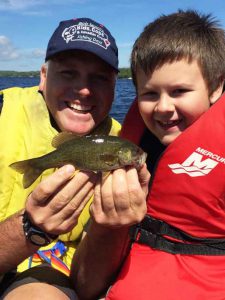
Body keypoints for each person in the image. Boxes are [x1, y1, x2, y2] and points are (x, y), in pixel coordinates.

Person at [70, 10, 225, 300]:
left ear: (216, 86)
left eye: (179, 91)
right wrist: (109, 225)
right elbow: (85, 285)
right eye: (150, 94)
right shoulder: (130, 147)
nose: (163, 107)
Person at [0, 17, 122, 299]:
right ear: (43, 76)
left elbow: (90, 285)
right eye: (68, 73)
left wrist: (112, 228)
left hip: (48, 275)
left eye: (100, 78)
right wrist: (29, 228)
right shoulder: (4, 110)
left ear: (115, 87)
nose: (83, 89)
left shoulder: (124, 145)